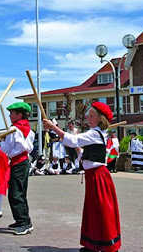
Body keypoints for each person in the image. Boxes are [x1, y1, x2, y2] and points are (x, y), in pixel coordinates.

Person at [43, 102, 121, 252]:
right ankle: (94, 243)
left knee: (101, 210)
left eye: (91, 116)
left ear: (99, 118)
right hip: (94, 176)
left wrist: (53, 127)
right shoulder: (96, 133)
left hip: (98, 176)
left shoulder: (94, 133)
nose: (88, 118)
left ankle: (107, 244)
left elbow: (72, 141)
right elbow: (86, 156)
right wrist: (80, 150)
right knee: (94, 210)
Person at [1, 102, 35, 235]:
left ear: (19, 115)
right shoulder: (29, 129)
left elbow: (7, 149)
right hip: (24, 162)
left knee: (15, 194)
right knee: (21, 192)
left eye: (12, 113)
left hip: (18, 162)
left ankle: (24, 222)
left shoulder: (13, 130)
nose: (9, 115)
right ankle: (23, 220)